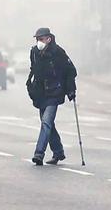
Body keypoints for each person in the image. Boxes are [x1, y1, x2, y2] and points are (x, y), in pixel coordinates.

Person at [26, 27, 77, 166]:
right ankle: (58, 152)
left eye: (41, 39)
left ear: (49, 39)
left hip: (54, 92)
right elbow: (33, 70)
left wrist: (71, 89)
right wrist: (30, 84)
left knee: (46, 122)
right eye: (37, 39)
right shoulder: (34, 52)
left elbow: (70, 71)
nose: (39, 42)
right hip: (41, 94)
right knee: (48, 125)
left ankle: (39, 154)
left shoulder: (58, 52)